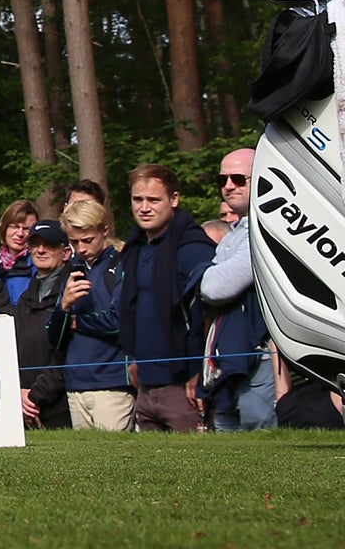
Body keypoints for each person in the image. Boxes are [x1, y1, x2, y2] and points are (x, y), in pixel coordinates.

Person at [116, 163, 215, 432]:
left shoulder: (193, 247)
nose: (144, 207)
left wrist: (199, 371)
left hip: (184, 387)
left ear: (174, 199)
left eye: (153, 199)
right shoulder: (134, 248)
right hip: (145, 386)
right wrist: (134, 359)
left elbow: (208, 313)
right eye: (138, 199)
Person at [197, 147, 276, 431]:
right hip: (228, 353)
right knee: (227, 439)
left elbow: (215, 287)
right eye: (223, 179)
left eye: (239, 179)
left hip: (260, 352)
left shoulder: (269, 226)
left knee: (262, 440)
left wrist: (208, 272)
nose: (229, 186)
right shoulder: (238, 233)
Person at [51, 199, 132, 431]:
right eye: (74, 242)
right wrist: (64, 307)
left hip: (112, 384)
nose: (81, 248)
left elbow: (120, 322)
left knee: (114, 458)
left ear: (104, 229)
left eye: (87, 240)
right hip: (75, 382)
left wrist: (77, 321)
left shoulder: (121, 263)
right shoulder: (73, 269)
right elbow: (55, 338)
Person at [11, 221, 72, 428]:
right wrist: (19, 392)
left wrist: (36, 396)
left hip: (59, 405)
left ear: (65, 253)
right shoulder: (25, 299)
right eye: (35, 244)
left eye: (49, 245)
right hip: (23, 403)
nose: (40, 250)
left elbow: (67, 353)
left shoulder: (73, 291)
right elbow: (13, 348)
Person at [0, 200, 39, 312]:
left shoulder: (38, 266)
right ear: (4, 229)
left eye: (26, 229)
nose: (20, 234)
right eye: (14, 226)